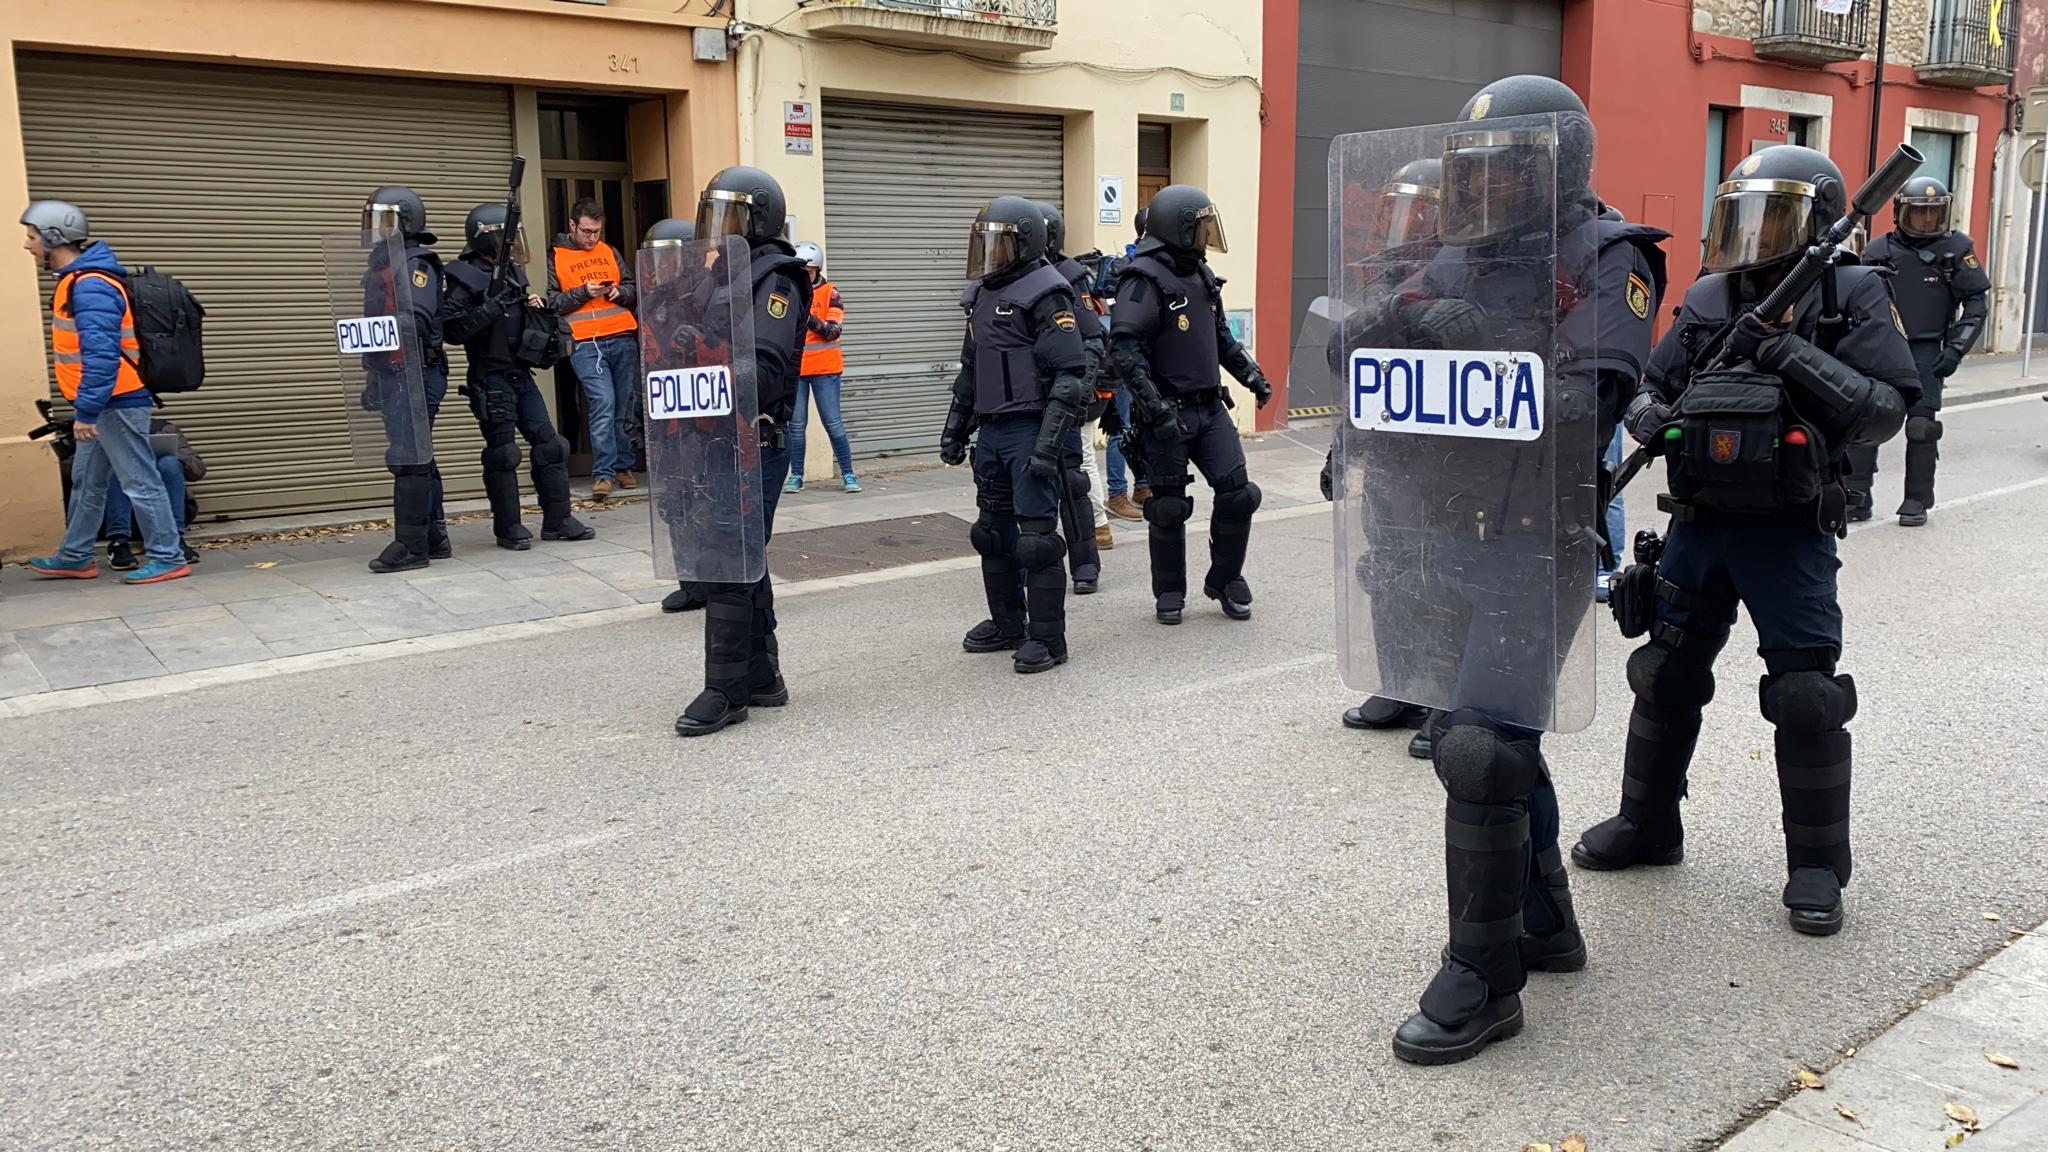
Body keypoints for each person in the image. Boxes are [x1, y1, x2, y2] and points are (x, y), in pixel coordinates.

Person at [1328, 76, 1668, 1065]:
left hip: (1535, 535)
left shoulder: (1607, 259)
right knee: (1480, 730)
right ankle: (1545, 924)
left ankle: (1482, 979)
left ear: (1553, 166)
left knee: (1477, 747)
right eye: (1464, 167)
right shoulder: (1453, 254)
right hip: (1442, 524)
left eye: (1496, 166)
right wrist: (1363, 352)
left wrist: (1485, 348)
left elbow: (1592, 397)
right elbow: (1390, 344)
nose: (1475, 185)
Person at [1573, 142, 1917, 947]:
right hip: (1699, 519)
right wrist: (1647, 413)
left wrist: (1783, 350)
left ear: (1822, 222)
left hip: (1788, 529)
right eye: (1746, 216)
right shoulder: (1708, 293)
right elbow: (1656, 380)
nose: (1757, 235)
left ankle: (1818, 866)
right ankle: (1649, 824)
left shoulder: (1852, 292)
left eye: (1779, 218)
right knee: (1663, 673)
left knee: (1805, 694)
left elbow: (1883, 411)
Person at [675, 166, 814, 736]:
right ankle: (762, 676)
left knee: (729, 557)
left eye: (728, 213)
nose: (717, 225)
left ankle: (725, 690)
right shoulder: (718, 273)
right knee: (740, 553)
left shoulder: (776, 278)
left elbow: (765, 359)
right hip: (714, 433)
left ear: (758, 217)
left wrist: (721, 367)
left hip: (755, 436)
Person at [939, 195, 1091, 672]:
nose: (990, 253)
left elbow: (1071, 374)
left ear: (1025, 244)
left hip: (1030, 428)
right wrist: (954, 428)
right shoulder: (982, 294)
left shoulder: (1048, 291)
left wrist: (1048, 447)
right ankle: (1007, 623)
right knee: (991, 533)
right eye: (985, 243)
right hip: (992, 430)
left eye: (999, 244)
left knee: (1037, 539)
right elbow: (971, 368)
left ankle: (1049, 640)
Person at [1110, 185, 1272, 625]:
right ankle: (1169, 592)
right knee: (1167, 507)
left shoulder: (1200, 273)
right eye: (1199, 228)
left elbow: (1220, 339)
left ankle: (1225, 579)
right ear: (1176, 229)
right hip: (1165, 415)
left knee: (1239, 495)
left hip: (1208, 408)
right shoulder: (1142, 278)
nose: (1205, 237)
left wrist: (1251, 375)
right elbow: (1124, 350)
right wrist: (1153, 408)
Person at [21, 200, 190, 585]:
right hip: (105, 402)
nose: (27, 245)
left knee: (138, 479)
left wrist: (87, 411)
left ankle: (167, 556)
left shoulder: (91, 286)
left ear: (53, 238)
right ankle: (76, 555)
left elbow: (102, 355)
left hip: (115, 402)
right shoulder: (79, 281)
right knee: (88, 481)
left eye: (31, 237)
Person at [441, 203, 595, 550]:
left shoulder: (510, 271)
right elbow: (450, 330)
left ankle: (558, 520)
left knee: (551, 445)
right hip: (490, 376)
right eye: (506, 238)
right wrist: (486, 311)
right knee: (503, 453)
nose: (512, 245)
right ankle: (508, 527)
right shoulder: (463, 276)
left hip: (519, 372)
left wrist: (534, 310)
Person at [1842, 175, 1987, 526]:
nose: (1926, 220)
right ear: (1901, 213)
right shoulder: (1877, 250)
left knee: (1921, 426)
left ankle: (1917, 499)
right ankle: (1857, 497)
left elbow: (1976, 303)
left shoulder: (1955, 250)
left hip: (1926, 349)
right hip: (1881, 346)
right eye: (1920, 213)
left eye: (1933, 213)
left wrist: (1956, 350)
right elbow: (1857, 298)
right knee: (1866, 420)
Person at [357, 186, 453, 574]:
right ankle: (434, 535)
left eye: (386, 221)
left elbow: (419, 318)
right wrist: (372, 375)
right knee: (418, 456)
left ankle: (412, 545)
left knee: (408, 458)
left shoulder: (417, 264)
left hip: (418, 372)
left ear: (406, 223)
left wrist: (380, 330)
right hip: (391, 374)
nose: (377, 229)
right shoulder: (380, 265)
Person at [1038, 200, 1112, 595]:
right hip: (1023, 401)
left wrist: (1078, 386)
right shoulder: (1007, 279)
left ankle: (1085, 565)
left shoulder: (1069, 276)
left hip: (1060, 399)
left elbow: (1091, 337)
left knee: (1072, 482)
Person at [549, 198, 641, 501]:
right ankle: (603, 473)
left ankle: (623, 467)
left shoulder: (610, 251)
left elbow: (632, 288)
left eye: (597, 232)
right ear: (573, 226)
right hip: (585, 341)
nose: (592, 238)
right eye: (587, 231)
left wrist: (619, 292)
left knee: (623, 405)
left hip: (622, 337)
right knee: (603, 402)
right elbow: (554, 303)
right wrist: (581, 292)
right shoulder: (557, 256)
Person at [784, 241, 861, 494]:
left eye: (808, 273)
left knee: (833, 423)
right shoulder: (789, 294)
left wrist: (807, 317)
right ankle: (796, 475)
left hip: (826, 370)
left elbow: (833, 331)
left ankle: (848, 474)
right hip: (797, 371)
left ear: (817, 270)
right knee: (796, 426)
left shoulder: (831, 293)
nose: (804, 278)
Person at [103, 417, 204, 569]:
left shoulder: (164, 429)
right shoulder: (103, 428)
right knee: (119, 466)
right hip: (128, 517)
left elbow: (198, 470)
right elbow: (75, 472)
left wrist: (171, 453)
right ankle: (118, 543)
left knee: (169, 463)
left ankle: (175, 538)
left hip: (164, 516)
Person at [1102, 208, 1151, 521]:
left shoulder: (1146, 263)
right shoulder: (1129, 267)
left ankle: (1142, 487)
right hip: (1124, 359)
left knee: (1142, 424)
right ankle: (1117, 493)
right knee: (1120, 427)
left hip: (1146, 359)